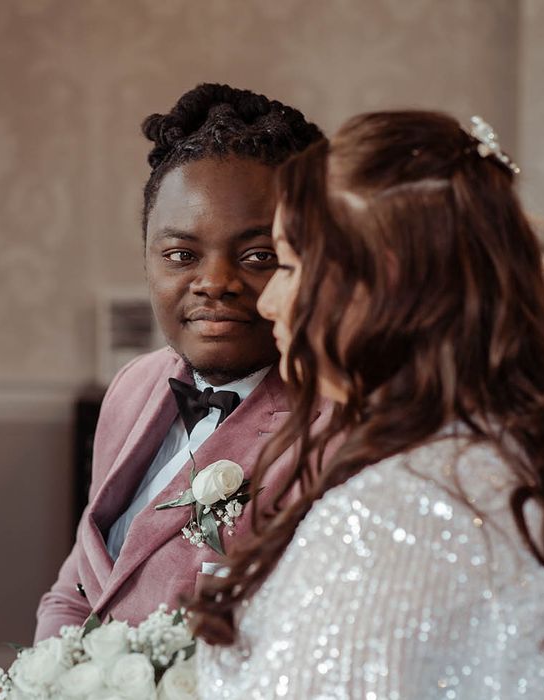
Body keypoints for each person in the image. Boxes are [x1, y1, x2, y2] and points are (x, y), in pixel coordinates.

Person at [192, 111, 544, 698]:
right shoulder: (493, 459)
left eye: (292, 266)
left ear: (384, 291)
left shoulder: (396, 515)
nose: (270, 302)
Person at [33, 84, 325, 642]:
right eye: (181, 255)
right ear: (148, 259)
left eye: (258, 256)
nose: (214, 283)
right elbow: (84, 579)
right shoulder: (135, 385)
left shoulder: (332, 433)